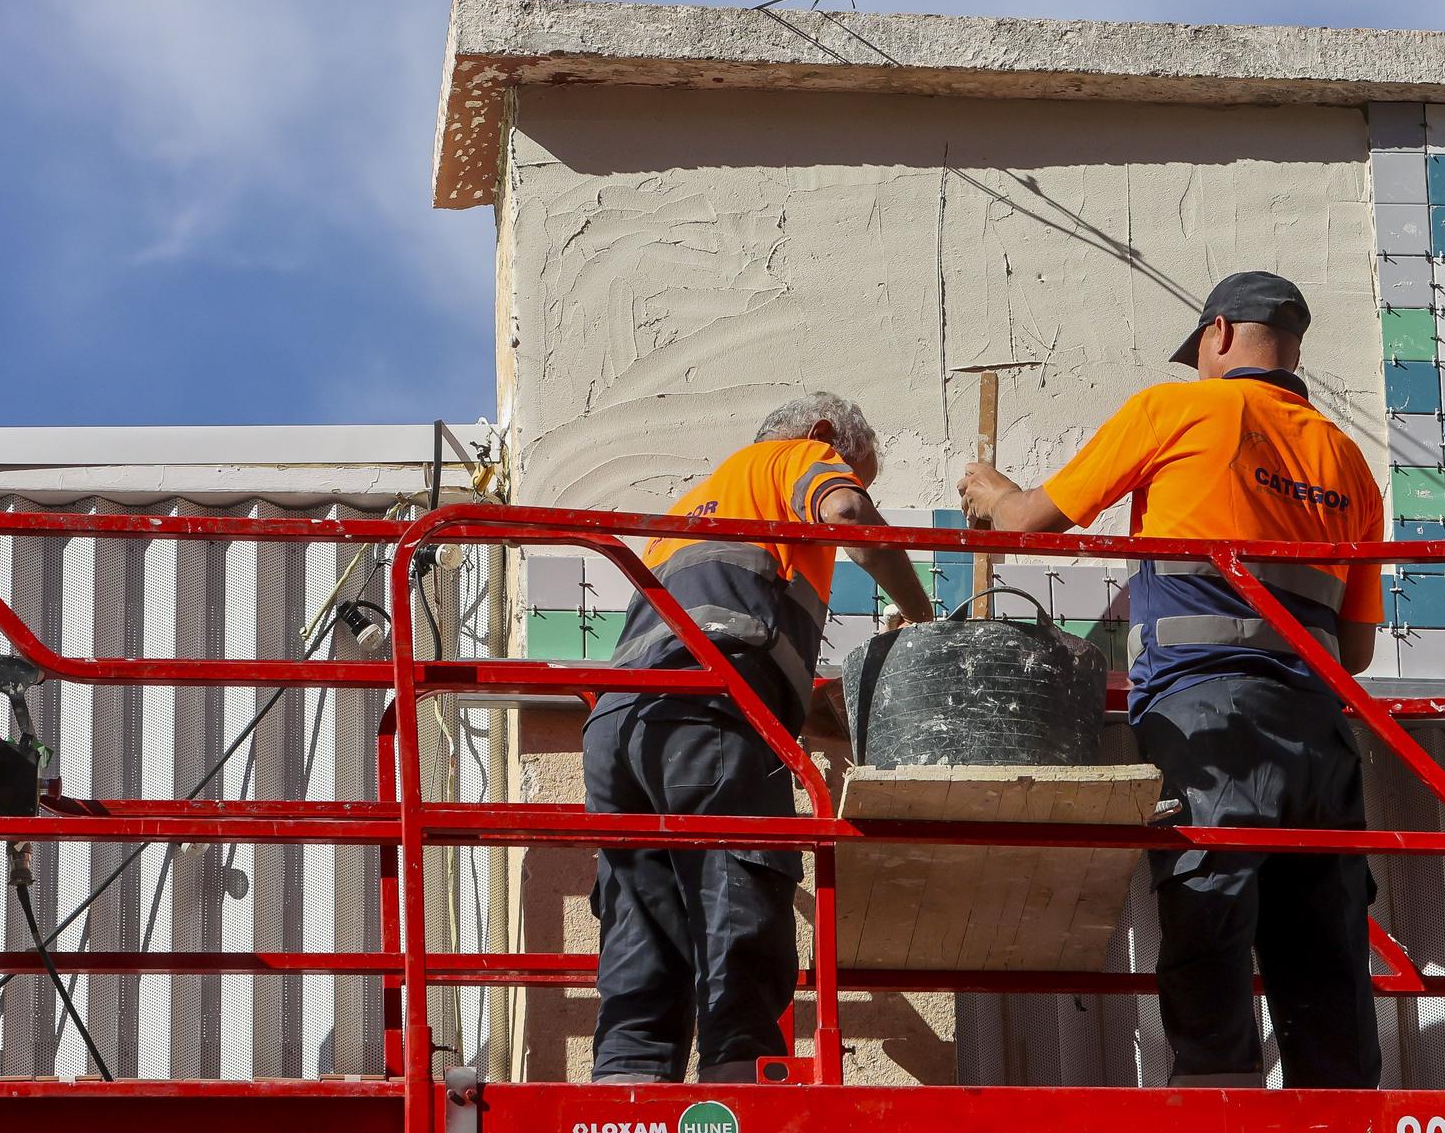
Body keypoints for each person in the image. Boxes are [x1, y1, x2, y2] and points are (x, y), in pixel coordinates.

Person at [956, 271, 1384, 1089]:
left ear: (1218, 334)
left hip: (1209, 717)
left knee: (1211, 906)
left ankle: (1216, 1108)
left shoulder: (1179, 408)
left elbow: (1030, 523)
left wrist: (991, 490)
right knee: (1324, 939)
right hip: (1321, 732)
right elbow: (1356, 648)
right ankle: (1341, 1132)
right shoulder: (1349, 460)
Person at [586, 392, 935, 1083]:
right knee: (735, 891)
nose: (847, 479)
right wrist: (922, 620)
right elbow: (847, 515)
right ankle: (737, 1095)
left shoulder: (693, 509)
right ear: (824, 435)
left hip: (621, 725)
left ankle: (625, 1094)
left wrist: (842, 712)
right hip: (708, 704)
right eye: (853, 467)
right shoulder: (796, 458)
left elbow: (740, 650)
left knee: (642, 924)